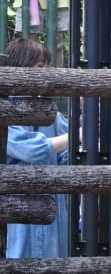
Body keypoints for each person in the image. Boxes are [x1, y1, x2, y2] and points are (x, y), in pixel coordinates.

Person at [4, 36, 70, 259]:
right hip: (18, 199)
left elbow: (66, 157)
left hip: (51, 199)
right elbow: (30, 149)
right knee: (18, 258)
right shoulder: (5, 109)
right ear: (20, 68)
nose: (45, 73)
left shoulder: (50, 110)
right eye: (40, 67)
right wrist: (78, 136)